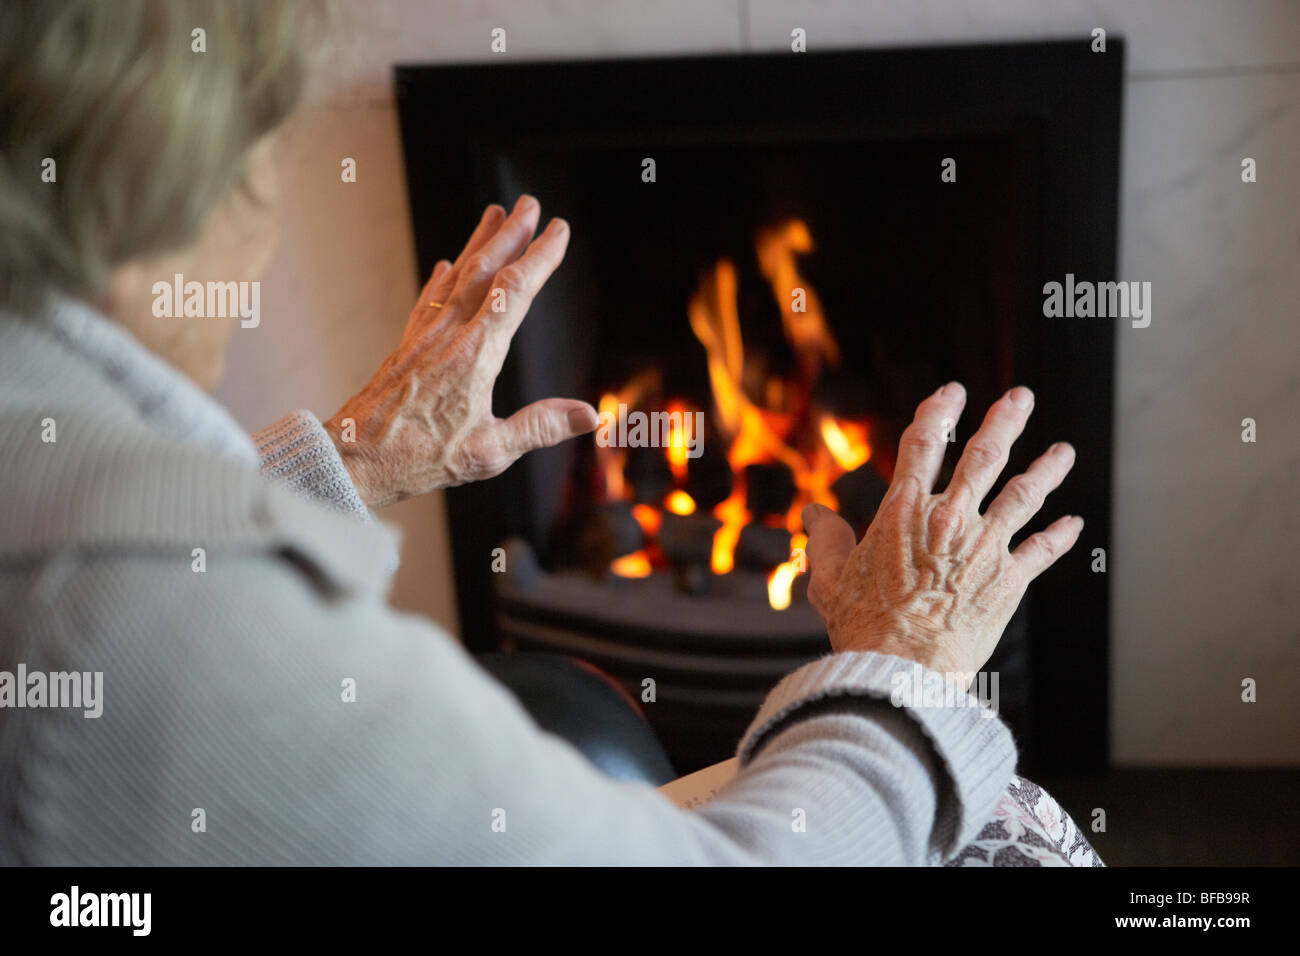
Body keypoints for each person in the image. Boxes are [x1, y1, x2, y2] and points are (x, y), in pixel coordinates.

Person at [0, 0, 1096, 865]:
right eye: (260, 157)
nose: (268, 212)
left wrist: (346, 459)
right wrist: (900, 663)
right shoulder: (157, 631)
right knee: (1000, 817)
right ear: (155, 205)